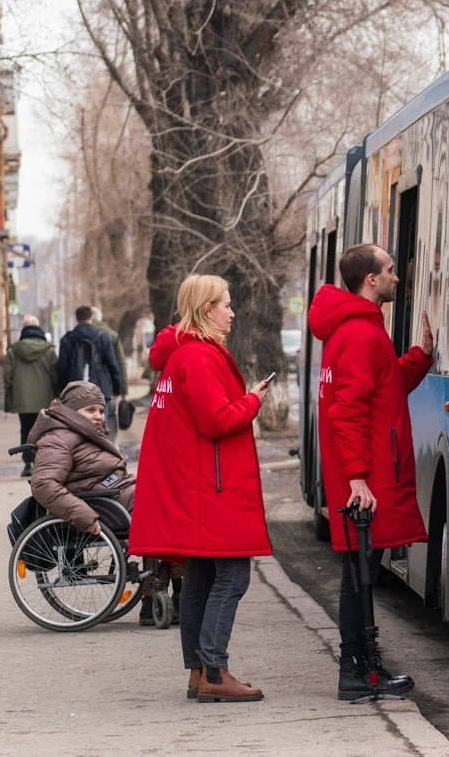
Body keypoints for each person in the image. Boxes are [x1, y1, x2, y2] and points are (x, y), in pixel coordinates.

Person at [128, 274, 271, 703]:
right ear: (207, 309)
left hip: (193, 487)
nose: (233, 312)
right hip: (212, 489)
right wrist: (254, 400)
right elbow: (217, 420)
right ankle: (214, 669)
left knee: (201, 579)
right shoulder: (199, 358)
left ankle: (198, 672)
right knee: (231, 576)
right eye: (226, 304)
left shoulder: (178, 358)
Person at [307, 243, 434, 701]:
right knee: (358, 576)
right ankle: (358, 673)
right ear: (371, 280)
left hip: (367, 472)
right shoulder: (360, 334)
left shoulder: (355, 331)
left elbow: (383, 389)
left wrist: (420, 356)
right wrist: (359, 477)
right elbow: (349, 410)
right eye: (391, 270)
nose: (397, 277)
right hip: (368, 478)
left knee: (361, 573)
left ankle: (364, 670)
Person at [28, 381, 134, 534]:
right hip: (101, 504)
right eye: (91, 410)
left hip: (116, 492)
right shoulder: (57, 438)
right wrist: (84, 516)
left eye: (101, 411)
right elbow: (44, 484)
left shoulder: (86, 433)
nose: (98, 416)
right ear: (71, 411)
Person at [4, 315, 58, 477]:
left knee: (26, 429)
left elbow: (7, 376)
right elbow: (55, 375)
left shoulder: (13, 350)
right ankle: (41, 463)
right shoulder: (49, 350)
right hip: (45, 398)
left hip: (23, 398)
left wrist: (10, 394)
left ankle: (27, 463)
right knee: (44, 431)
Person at [57, 305, 124, 430]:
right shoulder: (103, 337)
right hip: (101, 388)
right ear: (91, 317)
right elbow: (112, 365)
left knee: (75, 427)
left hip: (75, 390)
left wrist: (62, 391)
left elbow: (62, 368)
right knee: (102, 426)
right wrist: (116, 389)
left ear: (77, 318)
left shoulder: (67, 339)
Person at [92, 306, 129, 431]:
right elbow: (120, 363)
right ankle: (110, 446)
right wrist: (123, 390)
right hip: (109, 386)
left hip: (86, 385)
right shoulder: (112, 335)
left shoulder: (79, 334)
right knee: (109, 417)